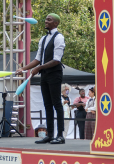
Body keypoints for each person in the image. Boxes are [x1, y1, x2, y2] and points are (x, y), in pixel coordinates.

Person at [16, 13, 65, 144]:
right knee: (47, 105)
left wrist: (39, 68)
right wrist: (24, 68)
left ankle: (60, 135)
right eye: (46, 18)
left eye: (49, 19)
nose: (46, 21)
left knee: (57, 104)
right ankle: (50, 135)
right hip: (45, 75)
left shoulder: (59, 37)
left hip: (54, 74)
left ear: (56, 23)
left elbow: (56, 60)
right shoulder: (43, 39)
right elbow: (37, 59)